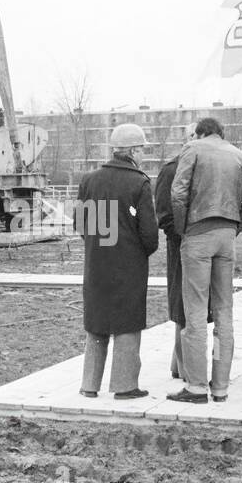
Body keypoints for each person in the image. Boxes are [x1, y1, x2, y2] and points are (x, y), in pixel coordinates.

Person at [168, 117, 242, 403]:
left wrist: (184, 228)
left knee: (194, 314)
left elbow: (178, 192)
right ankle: (220, 386)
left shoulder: (192, 149)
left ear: (202, 132)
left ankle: (195, 387)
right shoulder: (240, 156)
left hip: (198, 233)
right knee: (223, 314)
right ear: (222, 132)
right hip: (226, 237)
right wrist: (233, 228)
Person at [75, 123, 159, 398]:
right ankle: (124, 385)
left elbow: (80, 223)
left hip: (97, 262)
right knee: (127, 322)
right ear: (133, 151)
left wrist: (98, 245)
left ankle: (89, 385)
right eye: (142, 150)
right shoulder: (139, 182)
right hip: (128, 265)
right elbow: (149, 234)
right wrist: (137, 251)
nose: (143, 155)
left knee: (97, 322)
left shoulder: (89, 180)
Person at [154, 123, 198, 379]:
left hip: (198, 245)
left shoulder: (204, 167)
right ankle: (184, 368)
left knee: (195, 307)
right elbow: (164, 214)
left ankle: (178, 364)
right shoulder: (171, 170)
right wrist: (182, 236)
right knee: (183, 306)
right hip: (181, 247)